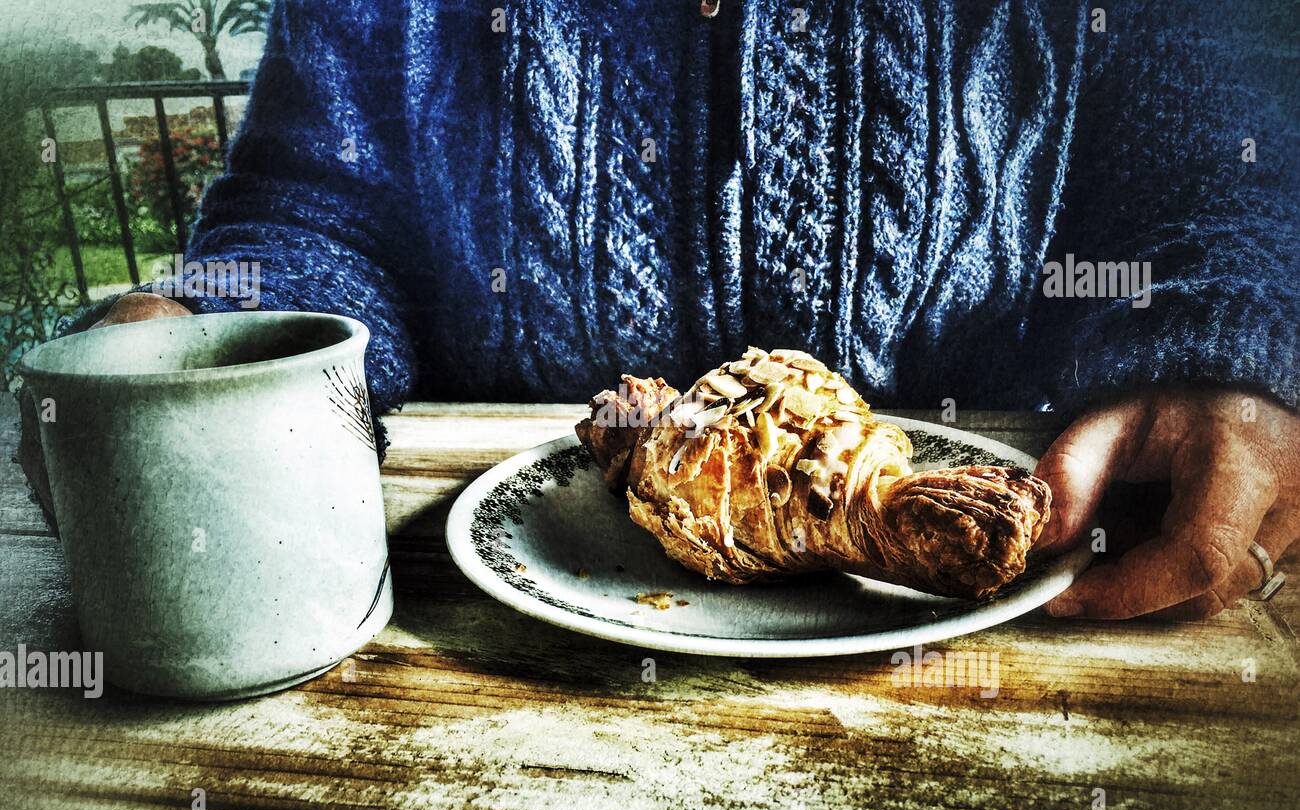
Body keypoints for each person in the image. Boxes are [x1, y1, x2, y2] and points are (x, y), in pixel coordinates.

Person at [20, 0, 1300, 621]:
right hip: (483, 632)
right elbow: (323, 207)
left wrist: (1236, 339)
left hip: (1016, 622)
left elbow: (1221, 173)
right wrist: (215, 324)